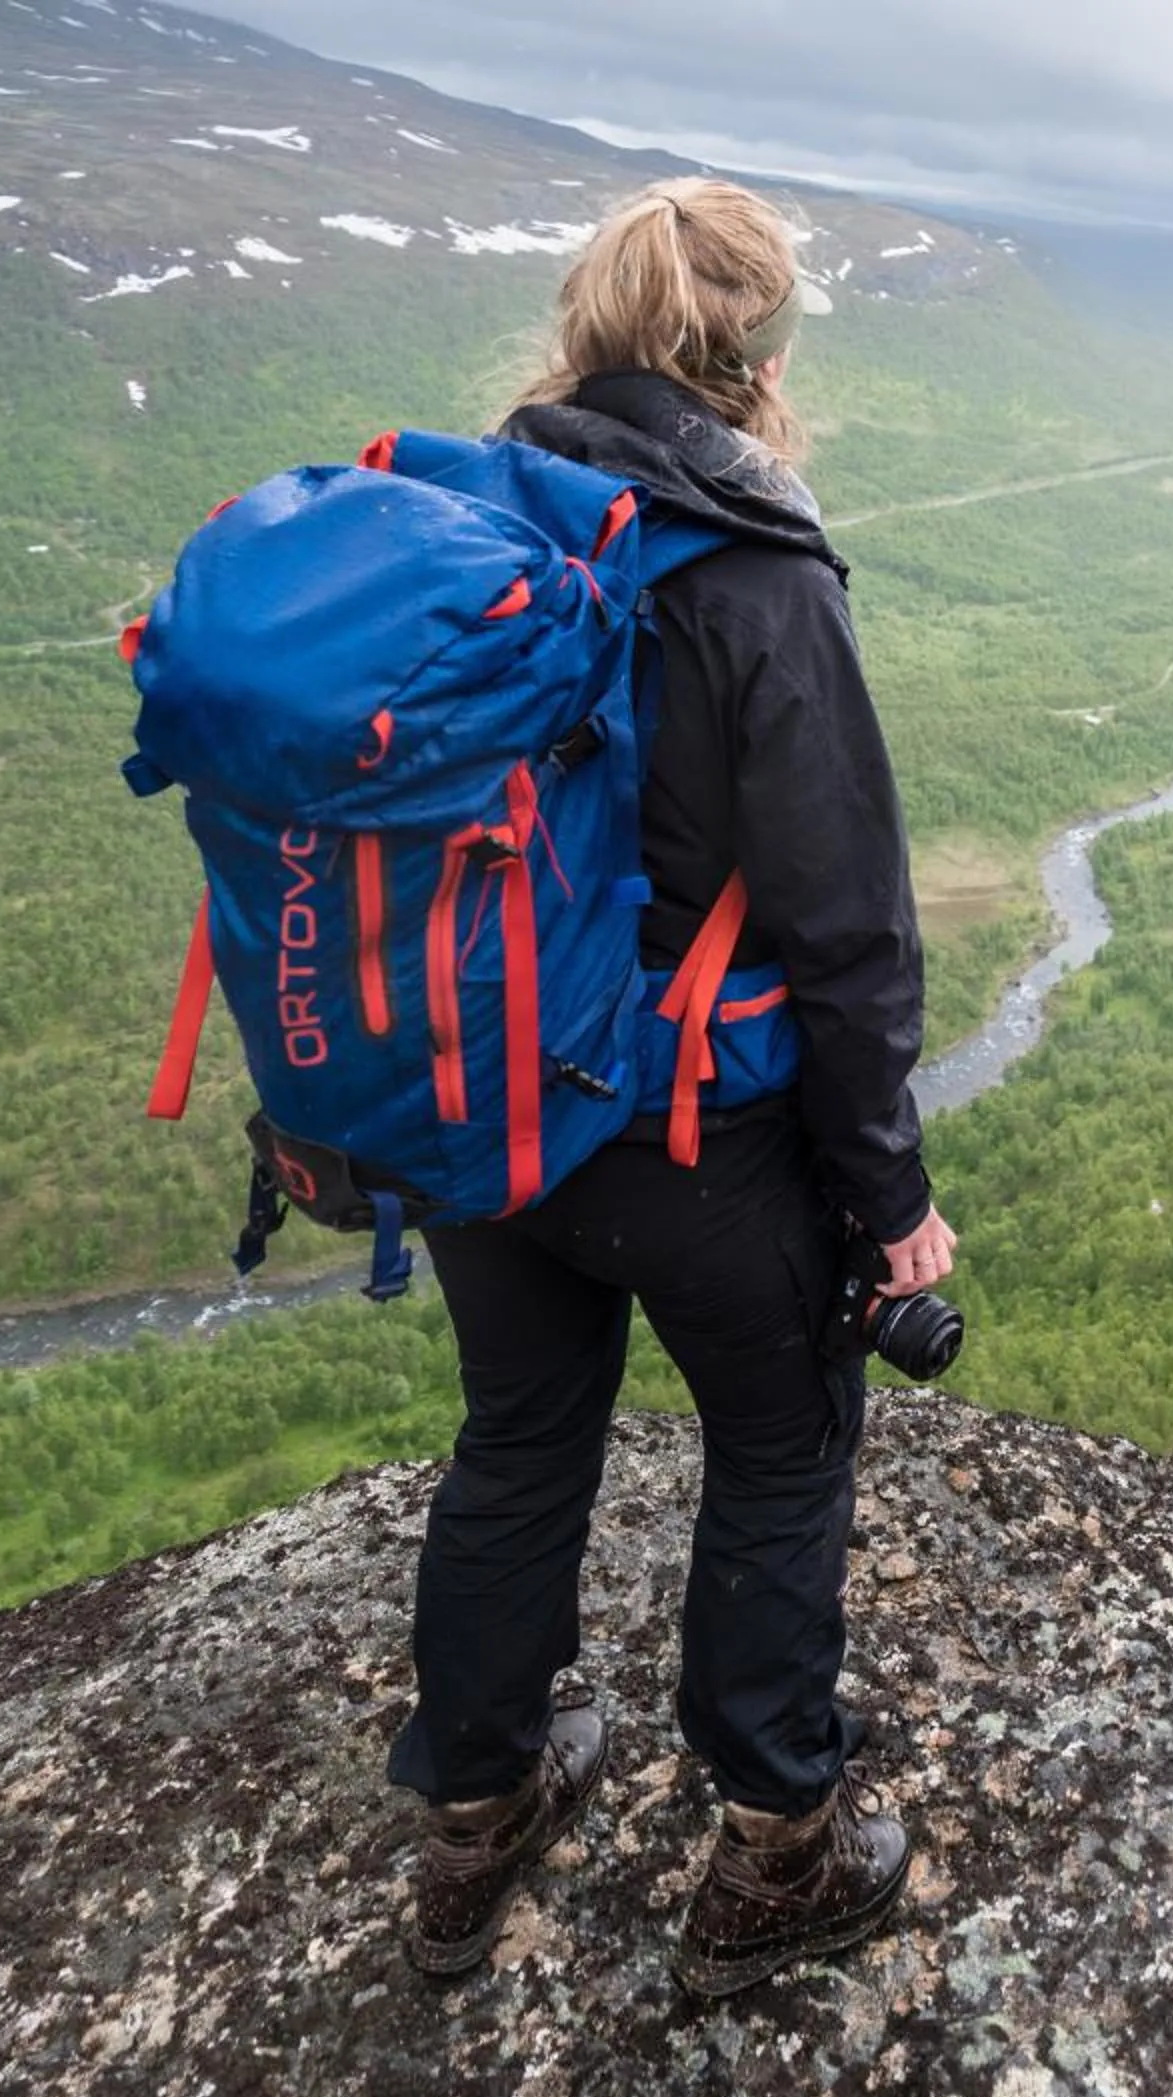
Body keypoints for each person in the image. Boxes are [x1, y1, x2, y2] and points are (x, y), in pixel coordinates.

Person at [386, 178, 954, 1997]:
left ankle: (477, 1814)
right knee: (780, 1453)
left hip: (482, 1119)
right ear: (762, 357)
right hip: (690, 1136)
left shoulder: (467, 523)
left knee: (519, 1439)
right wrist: (891, 1201)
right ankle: (778, 1847)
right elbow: (850, 930)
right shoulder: (756, 575)